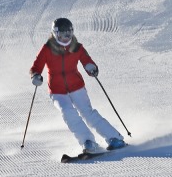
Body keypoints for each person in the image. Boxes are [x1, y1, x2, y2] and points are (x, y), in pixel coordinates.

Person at [30, 17, 126, 153]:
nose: (66, 37)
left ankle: (114, 138)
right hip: (57, 91)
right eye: (63, 34)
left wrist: (91, 67)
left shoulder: (77, 47)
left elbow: (86, 60)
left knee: (88, 113)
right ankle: (88, 142)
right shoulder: (47, 49)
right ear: (55, 33)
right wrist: (36, 75)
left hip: (76, 87)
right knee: (68, 113)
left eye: (69, 33)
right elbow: (36, 66)